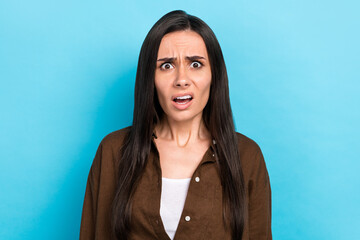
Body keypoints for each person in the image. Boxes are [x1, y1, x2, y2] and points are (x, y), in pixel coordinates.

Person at [80, 10, 272, 240]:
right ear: (149, 78)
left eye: (196, 64)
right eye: (167, 66)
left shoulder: (247, 156)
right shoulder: (113, 151)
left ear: (215, 75)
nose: (181, 79)